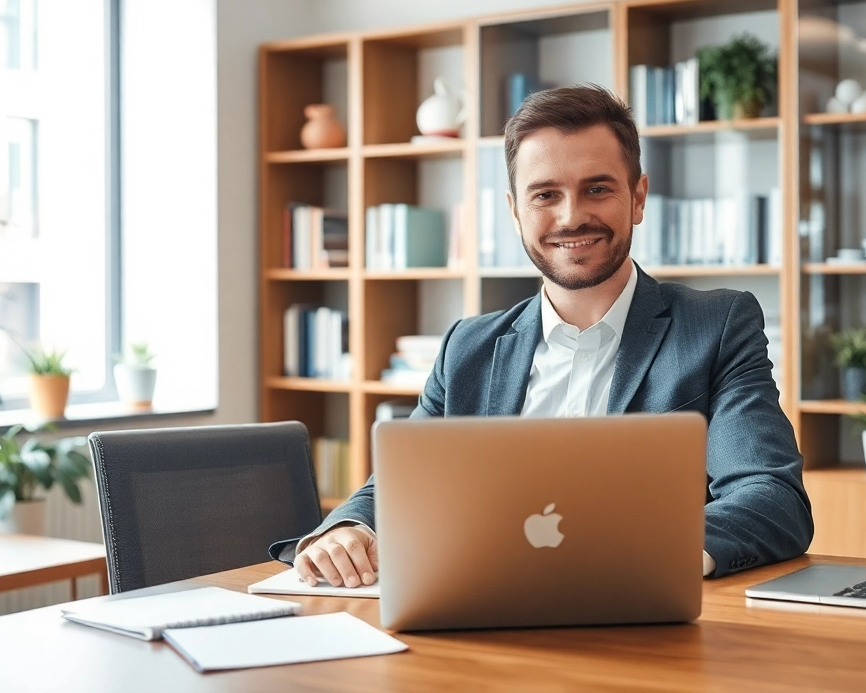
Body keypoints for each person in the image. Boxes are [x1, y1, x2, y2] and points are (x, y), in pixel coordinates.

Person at [270, 84, 812, 587]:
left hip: (645, 629)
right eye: (545, 195)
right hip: (484, 623)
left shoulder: (716, 327)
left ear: (638, 198)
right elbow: (397, 485)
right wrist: (348, 530)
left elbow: (771, 496)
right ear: (514, 210)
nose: (571, 217)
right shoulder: (468, 347)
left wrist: (649, 555)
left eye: (597, 188)